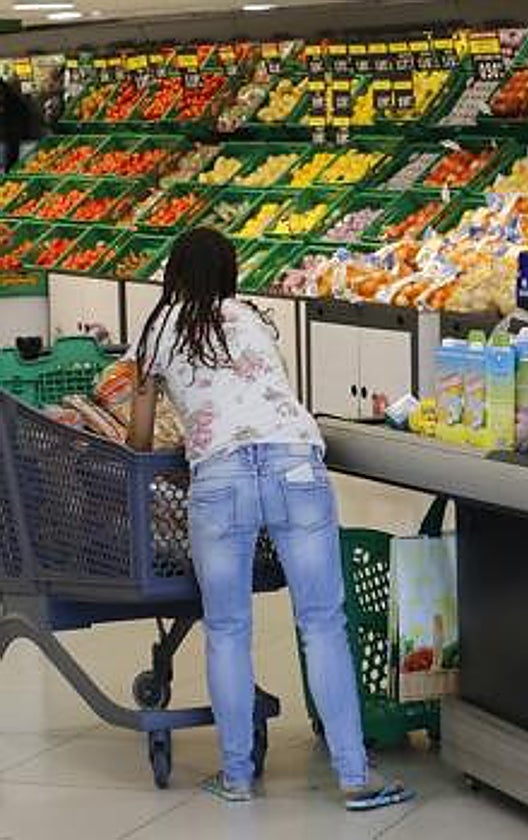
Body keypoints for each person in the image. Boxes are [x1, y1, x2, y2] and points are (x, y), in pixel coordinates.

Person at [127, 228, 412, 811]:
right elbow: (270, 393)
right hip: (294, 465)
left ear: (175, 275)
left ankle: (235, 777)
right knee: (323, 622)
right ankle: (355, 775)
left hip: (220, 479)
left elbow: (136, 437)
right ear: (230, 274)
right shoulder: (254, 316)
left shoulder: (159, 329)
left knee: (228, 629)